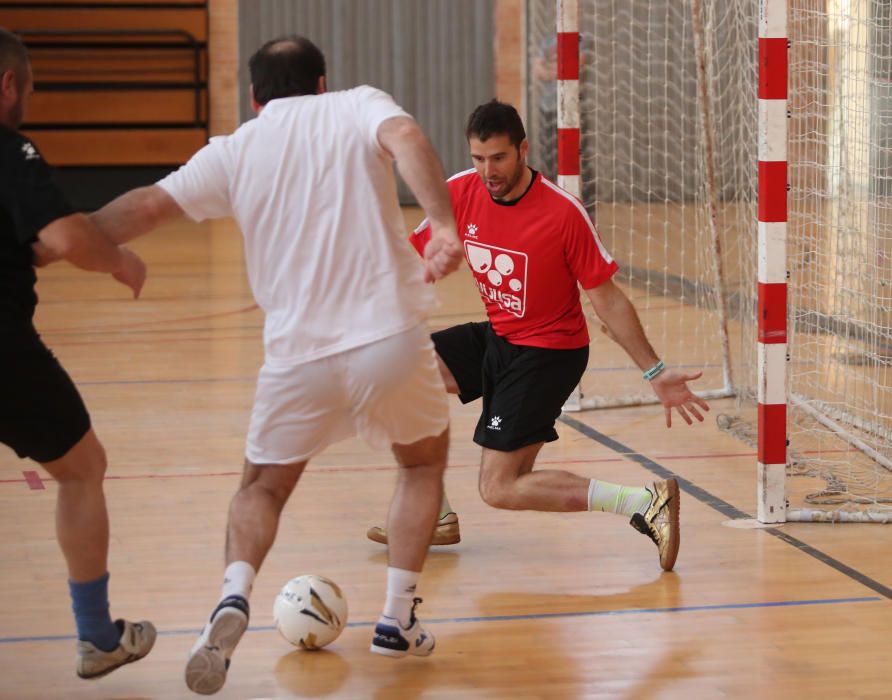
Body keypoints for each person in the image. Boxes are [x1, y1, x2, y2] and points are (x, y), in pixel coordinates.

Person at [88, 35, 463, 695]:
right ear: (322, 84)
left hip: (299, 360)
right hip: (390, 339)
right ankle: (397, 617)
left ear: (255, 97)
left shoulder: (235, 150)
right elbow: (405, 136)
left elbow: (144, 207)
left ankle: (235, 594)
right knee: (423, 462)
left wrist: (55, 235)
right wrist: (440, 222)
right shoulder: (356, 106)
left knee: (260, 489)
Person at [366, 100, 710, 571]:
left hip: (550, 352)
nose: (488, 171)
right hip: (500, 338)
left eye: (499, 158)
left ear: (523, 149)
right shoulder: (460, 193)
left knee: (499, 487)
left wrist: (654, 370)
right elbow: (410, 262)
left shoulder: (562, 212)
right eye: (478, 159)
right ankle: (435, 511)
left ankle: (644, 502)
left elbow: (607, 299)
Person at [0, 28, 156, 679]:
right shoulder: (11, 149)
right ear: (9, 85)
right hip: (5, 354)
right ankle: (97, 637)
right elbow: (66, 236)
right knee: (82, 466)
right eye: (29, 89)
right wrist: (117, 259)